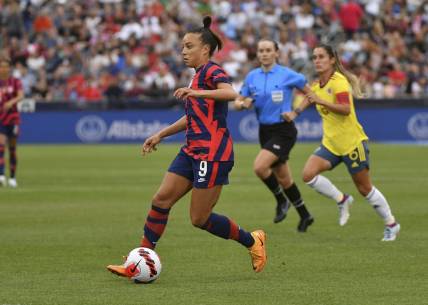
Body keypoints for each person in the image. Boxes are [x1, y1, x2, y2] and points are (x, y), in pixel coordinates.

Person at [107, 17, 267, 278]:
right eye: (182, 46)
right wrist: (161, 134)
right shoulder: (196, 79)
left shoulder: (212, 71)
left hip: (213, 154)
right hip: (191, 150)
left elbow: (230, 93)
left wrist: (198, 93)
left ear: (205, 49)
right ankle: (139, 261)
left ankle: (253, 241)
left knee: (199, 219)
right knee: (161, 199)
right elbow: (193, 116)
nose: (183, 51)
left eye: (189, 46)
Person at [284, 44, 400, 241]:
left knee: (365, 189)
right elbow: (310, 97)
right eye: (314, 57)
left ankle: (391, 224)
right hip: (331, 144)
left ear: (332, 60)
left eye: (321, 56)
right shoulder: (316, 84)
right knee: (308, 175)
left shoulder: (339, 82)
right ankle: (342, 199)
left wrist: (321, 102)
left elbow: (345, 108)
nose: (317, 60)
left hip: (352, 143)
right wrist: (295, 113)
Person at [234, 39, 314, 232]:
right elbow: (238, 100)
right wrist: (241, 104)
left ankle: (281, 201)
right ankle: (305, 215)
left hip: (283, 130)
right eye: (261, 50)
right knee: (284, 179)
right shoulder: (252, 76)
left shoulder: (288, 74)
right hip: (265, 131)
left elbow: (311, 94)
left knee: (260, 167)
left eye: (268, 50)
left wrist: (296, 112)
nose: (264, 54)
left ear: (276, 53)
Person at [0, 55, 24, 188]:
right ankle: (1, 175)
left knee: (12, 149)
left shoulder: (15, 81)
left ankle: (13, 177)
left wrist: (11, 101)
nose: (4, 69)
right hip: (0, 119)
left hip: (13, 118)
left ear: (9, 68)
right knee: (0, 146)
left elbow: (21, 95)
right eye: (1, 66)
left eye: (6, 66)